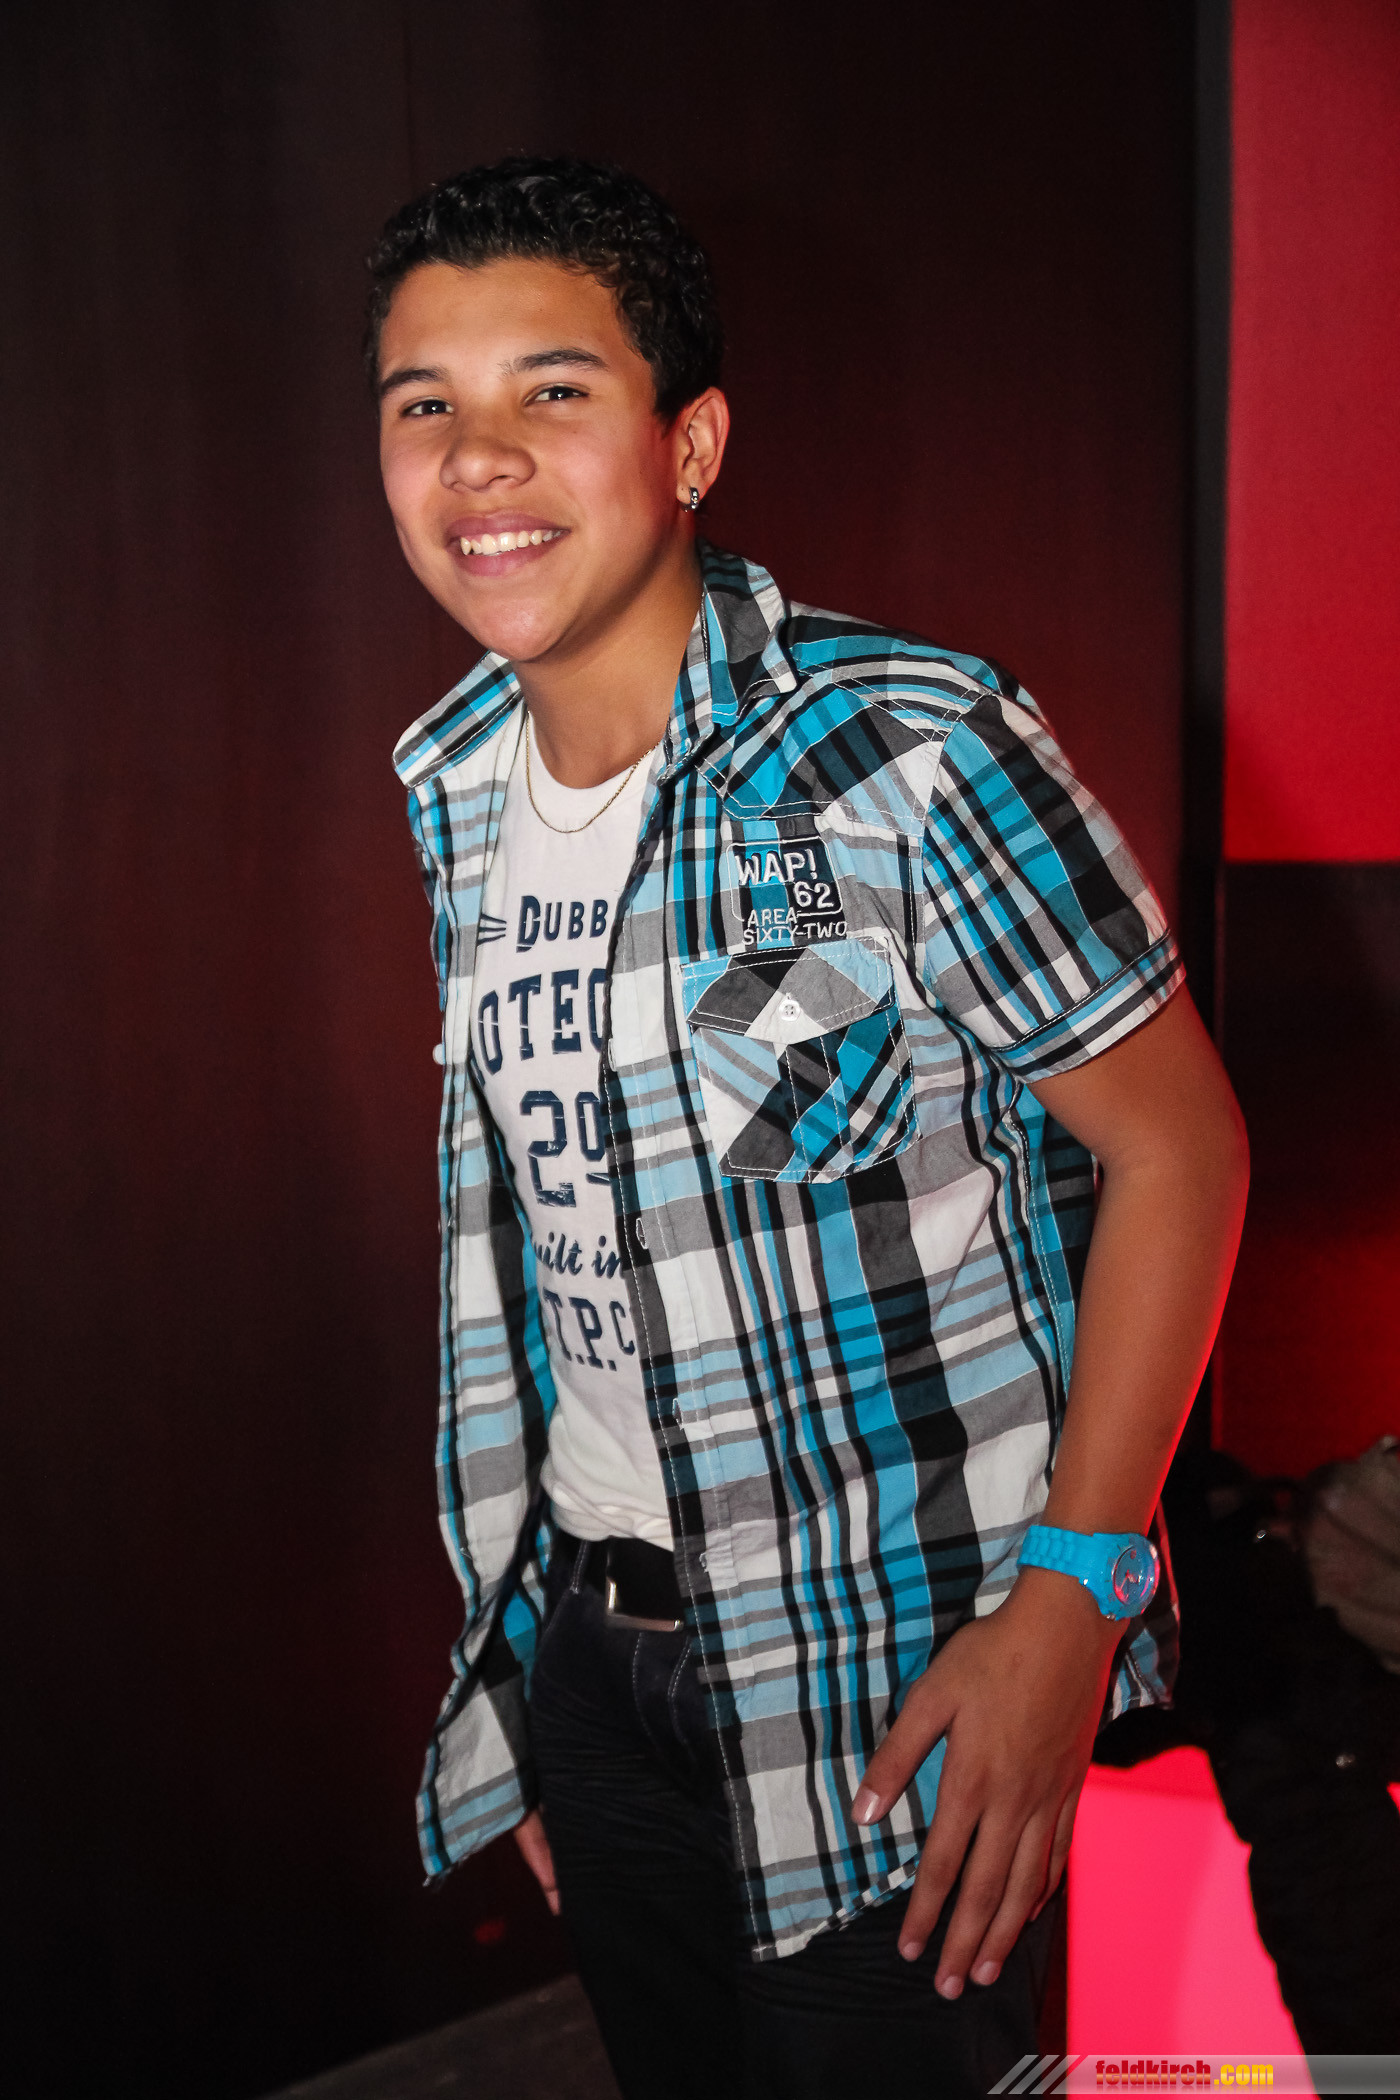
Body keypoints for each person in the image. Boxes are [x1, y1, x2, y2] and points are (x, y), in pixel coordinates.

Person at [367, 155, 1249, 2099]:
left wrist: (1074, 1603)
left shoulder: (908, 746)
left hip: (899, 1661)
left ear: (688, 443)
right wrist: (539, 1688)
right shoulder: (455, 784)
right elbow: (553, 1254)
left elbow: (1180, 1152)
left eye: (552, 390)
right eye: (425, 404)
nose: (478, 456)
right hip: (598, 1652)